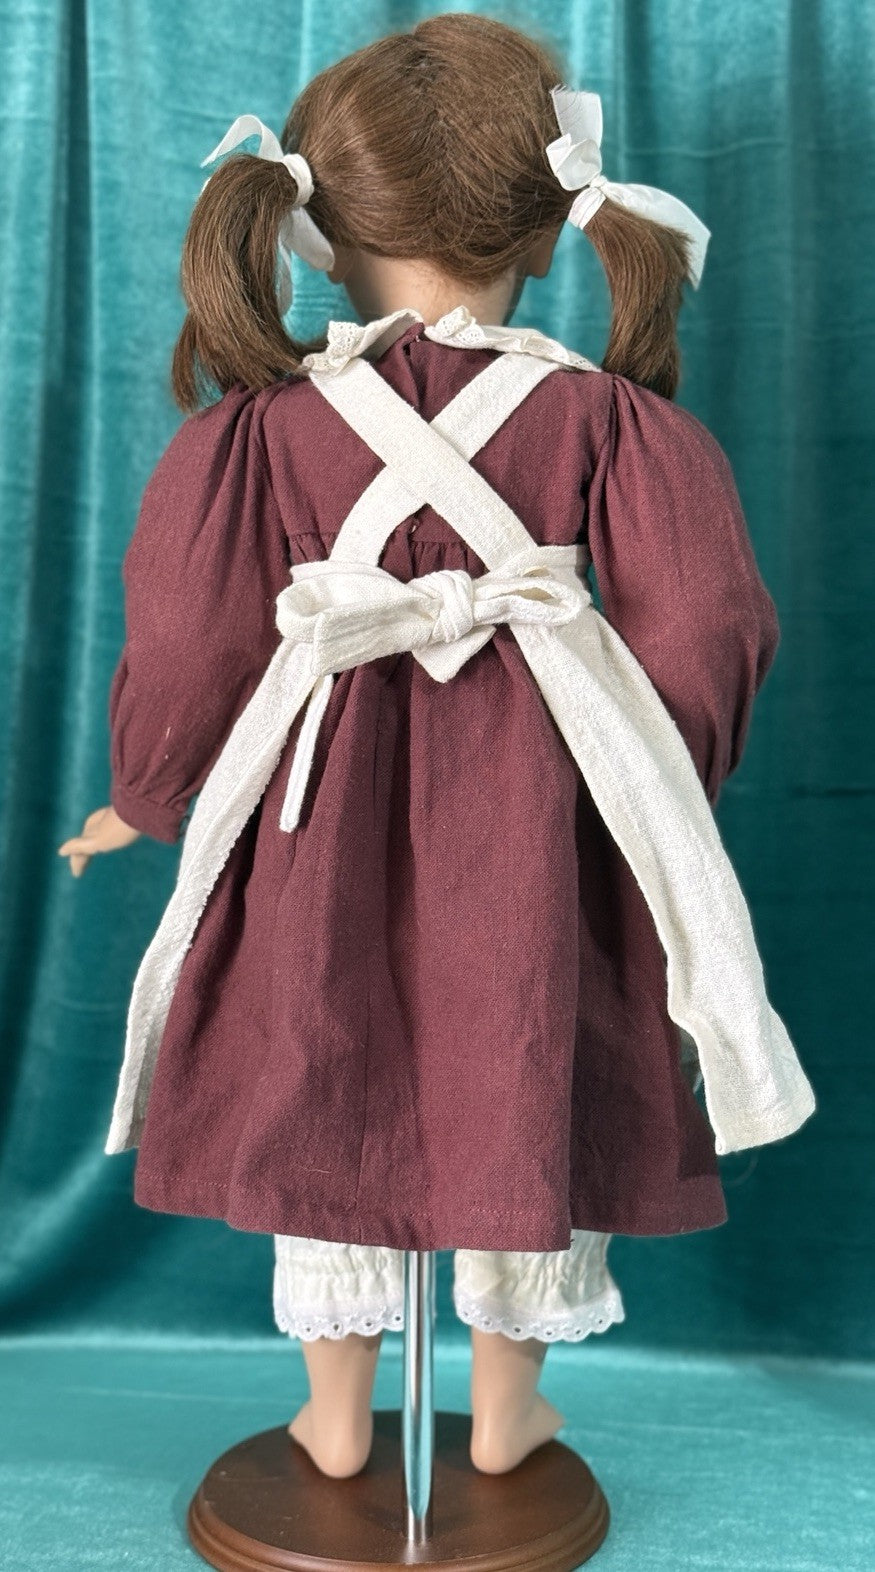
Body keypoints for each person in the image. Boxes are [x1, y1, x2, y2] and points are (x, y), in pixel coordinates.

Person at [57, 13, 815, 1481]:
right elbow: (711, 622)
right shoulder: (613, 426)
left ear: (318, 234)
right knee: (542, 1056)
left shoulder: (256, 436)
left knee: (319, 1061)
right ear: (544, 231)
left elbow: (191, 643)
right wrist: (660, 781)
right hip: (544, 826)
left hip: (315, 818)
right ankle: (511, 1406)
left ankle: (338, 1418)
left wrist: (146, 792)